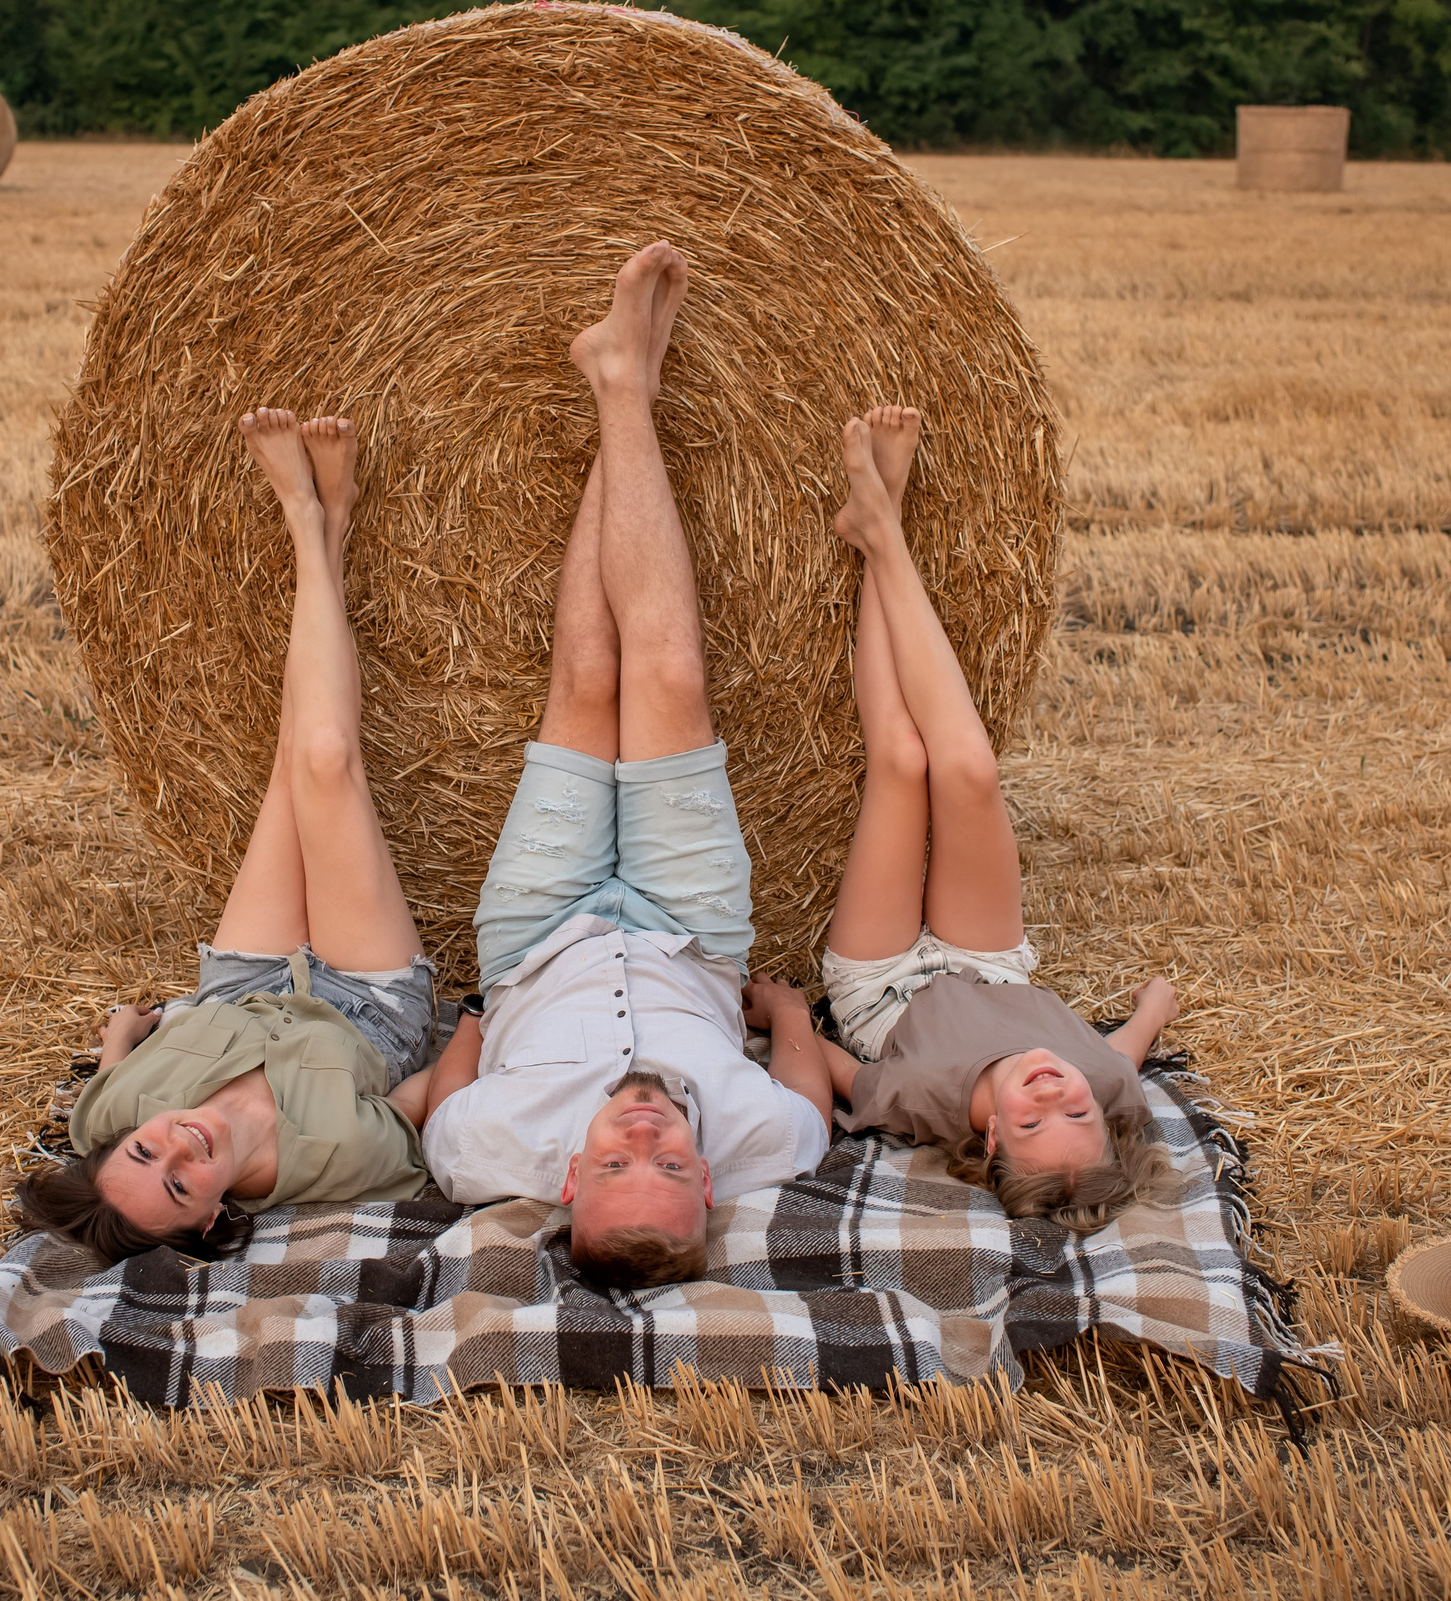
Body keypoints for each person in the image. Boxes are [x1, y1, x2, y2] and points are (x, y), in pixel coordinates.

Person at [402, 242, 836, 1290]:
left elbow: (452, 1086)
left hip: (538, 934)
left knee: (589, 673)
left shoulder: (476, 1155)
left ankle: (623, 380)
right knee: (674, 677)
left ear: (563, 1181)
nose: (645, 1131)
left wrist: (478, 1011)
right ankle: (622, 381)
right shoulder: (773, 1148)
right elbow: (807, 1094)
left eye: (614, 1160)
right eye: (673, 1160)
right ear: (712, 1190)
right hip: (689, 929)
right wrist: (781, 1015)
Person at [14, 409, 438, 1263]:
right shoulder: (339, 1163)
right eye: (178, 1182)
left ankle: (329, 531)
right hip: (368, 1007)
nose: (178, 1144)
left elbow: (102, 1087)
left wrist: (120, 1036)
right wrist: (476, 1030)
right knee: (326, 760)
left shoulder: (109, 1114)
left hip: (236, 983)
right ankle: (314, 524)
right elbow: (424, 1105)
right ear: (210, 1220)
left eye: (145, 1150)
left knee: (294, 762)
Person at [777, 404, 1182, 1233]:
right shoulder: (1108, 1084)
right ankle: (880, 525)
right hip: (990, 961)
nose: (1052, 1097)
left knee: (900, 761)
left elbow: (839, 1072)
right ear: (1105, 1119)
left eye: (1031, 1125)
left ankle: (881, 520)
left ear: (991, 1132)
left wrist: (777, 1013)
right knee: (967, 767)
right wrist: (1154, 1007)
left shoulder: (917, 1102)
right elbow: (1124, 1055)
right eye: (1077, 1117)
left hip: (884, 987)